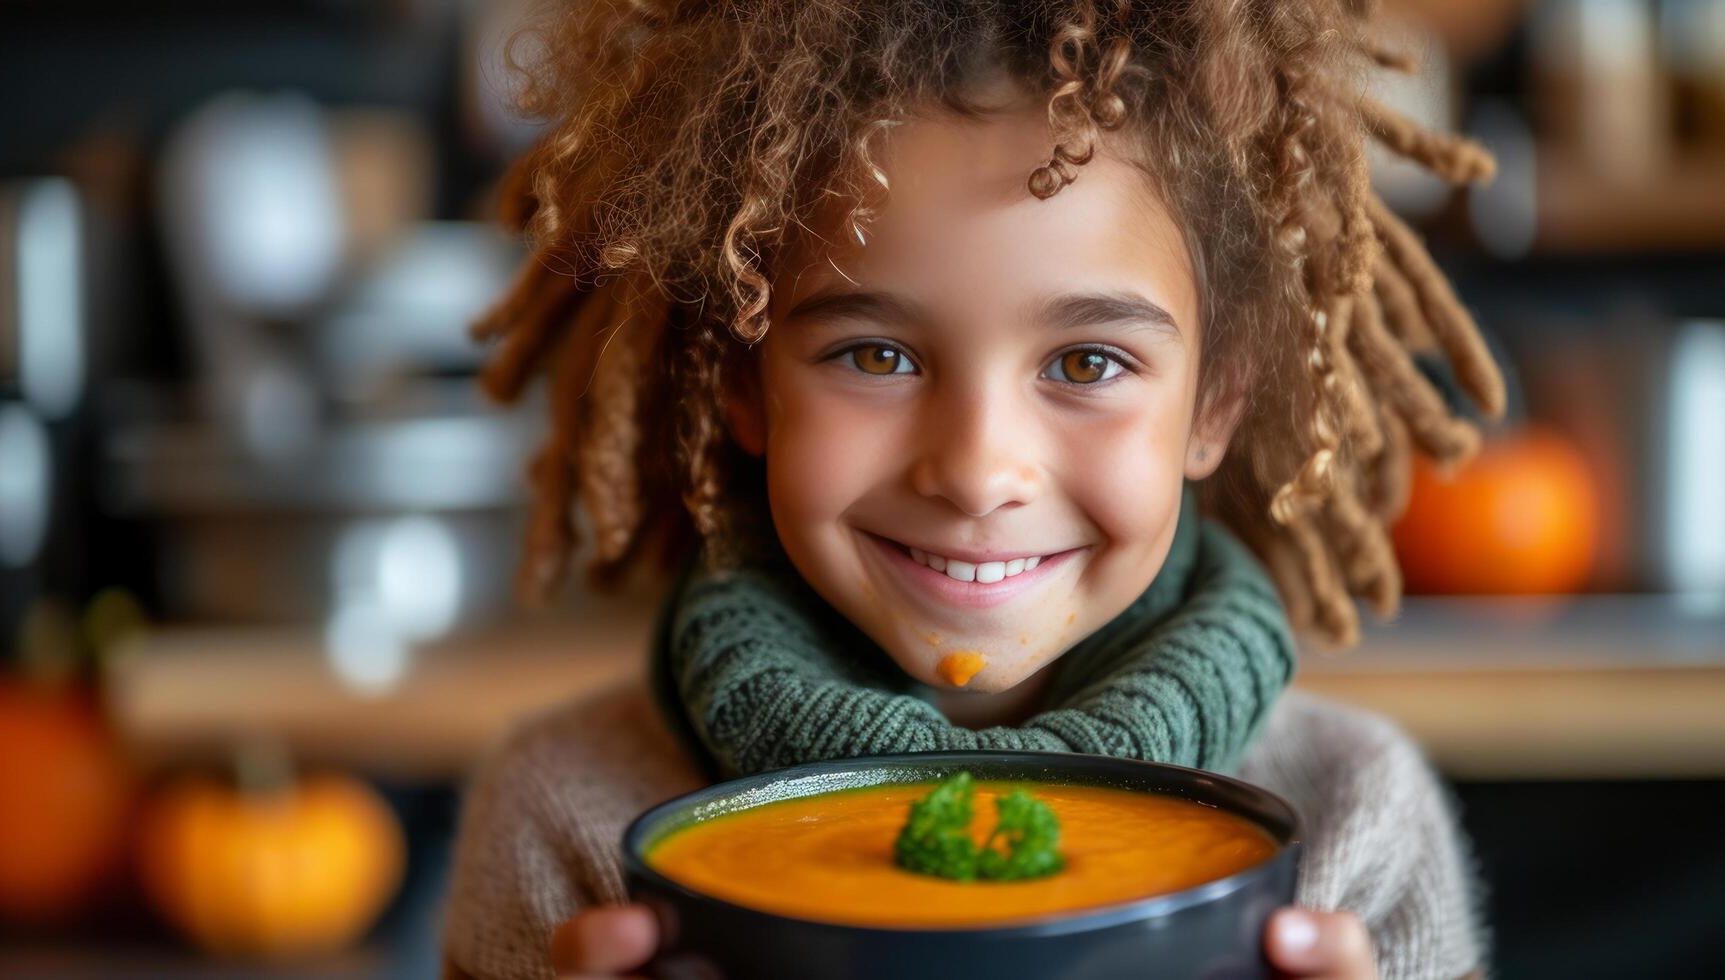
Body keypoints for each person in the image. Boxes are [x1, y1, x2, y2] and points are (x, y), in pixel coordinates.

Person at [443, 2, 1502, 977]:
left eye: (1085, 364)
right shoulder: (566, 815)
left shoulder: (1354, 817)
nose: (977, 471)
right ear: (742, 384)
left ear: (1214, 405)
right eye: (875, 356)